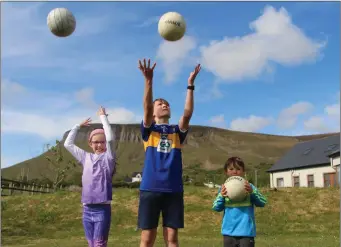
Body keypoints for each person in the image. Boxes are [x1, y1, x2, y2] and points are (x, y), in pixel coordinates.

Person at [137, 58, 201, 247]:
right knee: (147, 239)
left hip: (173, 189)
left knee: (172, 239)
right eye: (160, 104)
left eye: (166, 103)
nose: (164, 105)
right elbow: (147, 107)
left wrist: (190, 85)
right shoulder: (149, 130)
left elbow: (187, 114)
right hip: (150, 189)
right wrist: (148, 81)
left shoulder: (176, 131)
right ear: (154, 113)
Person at [64, 106, 116, 247]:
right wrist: (77, 126)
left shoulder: (108, 158)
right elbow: (67, 144)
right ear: (90, 144)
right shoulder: (84, 157)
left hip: (102, 209)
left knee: (99, 244)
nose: (99, 145)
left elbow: (110, 139)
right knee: (91, 243)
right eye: (95, 142)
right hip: (87, 209)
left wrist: (103, 118)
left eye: (102, 142)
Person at [212, 157, 267, 247]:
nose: (235, 172)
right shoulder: (223, 189)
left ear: (243, 171)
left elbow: (262, 202)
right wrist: (221, 196)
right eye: (231, 169)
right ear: (226, 171)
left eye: (238, 169)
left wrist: (252, 192)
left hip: (246, 233)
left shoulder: (249, 187)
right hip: (228, 233)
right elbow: (216, 207)